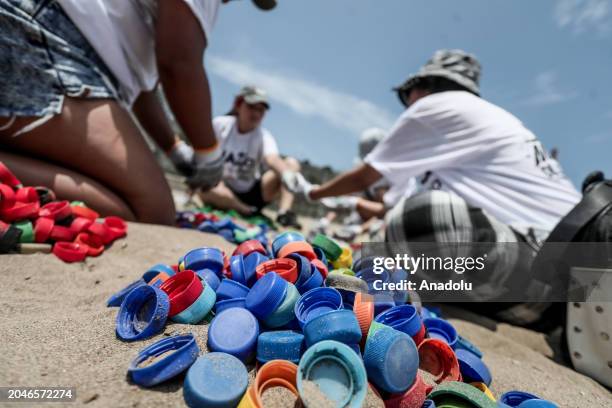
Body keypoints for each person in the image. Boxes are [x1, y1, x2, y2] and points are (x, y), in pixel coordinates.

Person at [285, 50, 582, 321]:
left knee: (420, 218)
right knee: (397, 237)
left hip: (546, 267)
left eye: (406, 95)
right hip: (576, 283)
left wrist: (312, 192)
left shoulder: (437, 106)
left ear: (424, 87)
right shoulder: (483, 122)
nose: (407, 105)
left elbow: (364, 177)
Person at [0, 0, 277, 225]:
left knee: (125, 192)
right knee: (151, 209)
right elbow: (178, 63)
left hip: (49, 44)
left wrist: (175, 150)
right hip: (43, 39)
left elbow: (143, 93)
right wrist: (208, 152)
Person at [198, 86, 302, 228]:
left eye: (261, 110)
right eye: (252, 107)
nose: (257, 113)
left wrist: (287, 174)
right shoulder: (220, 125)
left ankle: (284, 213)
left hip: (253, 192)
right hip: (222, 189)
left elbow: (272, 159)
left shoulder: (264, 136)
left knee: (291, 163)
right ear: (239, 105)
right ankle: (245, 211)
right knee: (205, 188)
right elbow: (203, 154)